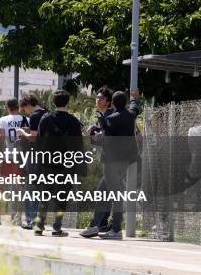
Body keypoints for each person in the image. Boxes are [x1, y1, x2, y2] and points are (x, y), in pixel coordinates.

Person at [82, 89, 140, 240]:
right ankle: (97, 225)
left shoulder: (111, 119)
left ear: (112, 103)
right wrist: (134, 98)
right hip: (125, 160)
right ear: (125, 103)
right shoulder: (130, 114)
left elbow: (105, 138)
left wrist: (94, 136)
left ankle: (113, 229)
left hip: (112, 161)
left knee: (111, 193)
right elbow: (135, 108)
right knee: (106, 192)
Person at [34, 90, 83, 237]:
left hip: (48, 163)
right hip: (66, 164)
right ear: (68, 103)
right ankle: (56, 227)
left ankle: (39, 226)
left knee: (44, 194)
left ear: (53, 103)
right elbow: (78, 146)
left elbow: (39, 141)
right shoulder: (74, 121)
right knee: (62, 196)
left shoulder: (45, 119)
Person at [80, 87, 115, 237]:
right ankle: (103, 224)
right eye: (97, 97)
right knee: (107, 193)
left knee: (103, 192)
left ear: (108, 102)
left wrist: (96, 136)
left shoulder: (110, 115)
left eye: (101, 98)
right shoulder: (103, 115)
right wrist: (94, 136)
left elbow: (110, 138)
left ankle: (96, 225)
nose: (97, 100)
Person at [0, 98, 28, 225]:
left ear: (6, 107)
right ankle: (19, 217)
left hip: (8, 157)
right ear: (19, 107)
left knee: (1, 187)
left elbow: (1, 138)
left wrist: (0, 154)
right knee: (21, 188)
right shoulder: (26, 120)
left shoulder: (3, 120)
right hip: (21, 158)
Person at [16, 94, 48, 229]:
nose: (25, 112)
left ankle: (30, 220)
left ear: (28, 105)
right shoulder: (48, 113)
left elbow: (33, 138)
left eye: (25, 109)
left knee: (31, 187)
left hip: (35, 155)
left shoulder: (35, 116)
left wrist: (22, 132)